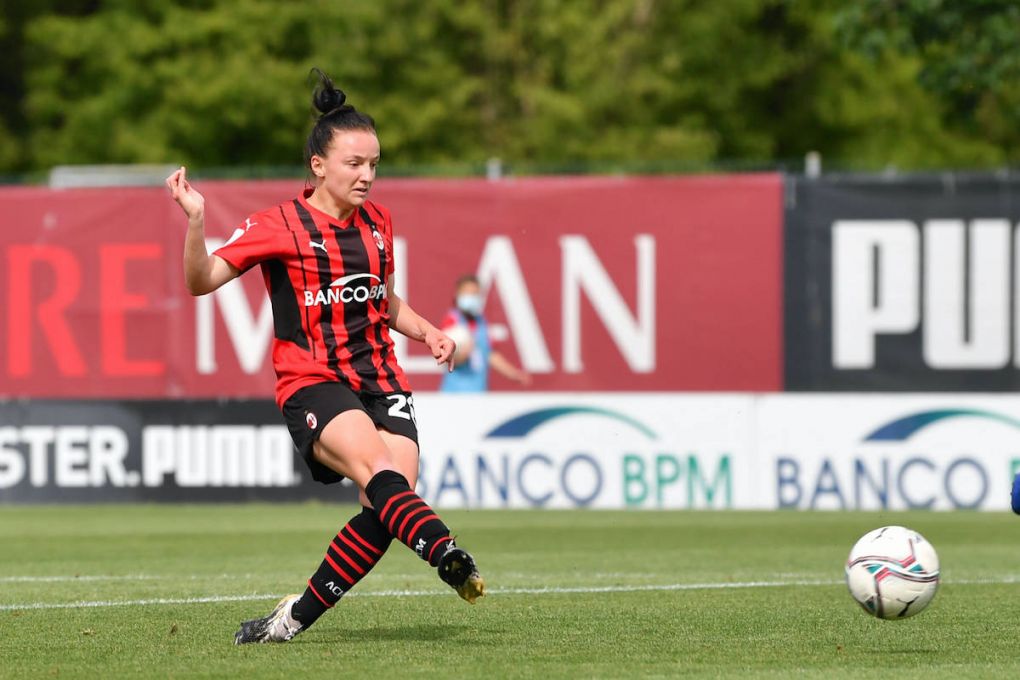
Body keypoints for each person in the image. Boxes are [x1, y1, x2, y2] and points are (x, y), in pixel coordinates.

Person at [165, 68, 484, 645]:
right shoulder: (277, 225)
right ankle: (448, 553)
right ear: (319, 165)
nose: (366, 176)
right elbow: (201, 279)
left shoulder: (379, 224)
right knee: (381, 475)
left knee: (387, 509)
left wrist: (430, 332)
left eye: (374, 164)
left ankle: (290, 619)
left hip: (381, 378)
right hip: (313, 380)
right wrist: (195, 222)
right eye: (354, 164)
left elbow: (384, 302)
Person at [440, 274, 531, 392]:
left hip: (479, 391)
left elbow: (489, 354)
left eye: (475, 294)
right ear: (457, 295)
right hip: (455, 393)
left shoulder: (481, 321)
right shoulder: (452, 320)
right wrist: (462, 353)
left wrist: (513, 374)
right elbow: (446, 356)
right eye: (467, 293)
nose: (471, 297)